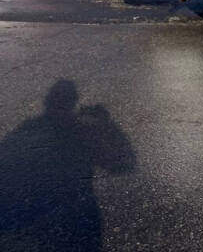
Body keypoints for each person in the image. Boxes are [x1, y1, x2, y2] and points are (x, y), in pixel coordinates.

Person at [0, 79, 136, 251]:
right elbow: (123, 164)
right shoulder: (83, 130)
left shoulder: (28, 129)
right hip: (76, 219)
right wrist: (106, 125)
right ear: (73, 101)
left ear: (47, 102)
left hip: (27, 221)